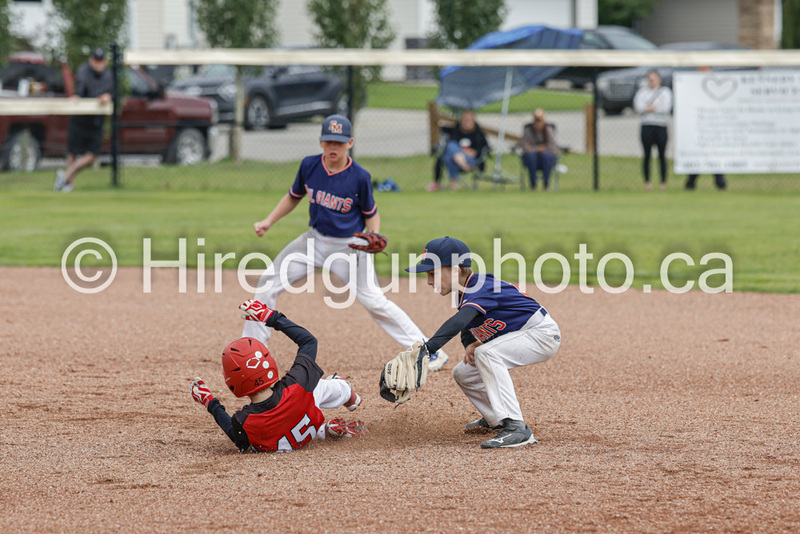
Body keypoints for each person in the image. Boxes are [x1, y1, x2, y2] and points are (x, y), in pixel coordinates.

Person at [243, 114, 449, 371]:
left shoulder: (359, 177)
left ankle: (429, 351)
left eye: (339, 142)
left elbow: (371, 214)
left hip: (349, 247)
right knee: (268, 283)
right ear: (320, 142)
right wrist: (268, 221)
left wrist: (372, 235)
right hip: (314, 240)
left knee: (374, 301)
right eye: (329, 141)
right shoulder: (309, 166)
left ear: (349, 143)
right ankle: (250, 347)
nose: (333, 147)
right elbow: (293, 196)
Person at [405, 237, 561, 449]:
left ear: (455, 270)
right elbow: (466, 323)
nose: (429, 281)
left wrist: (429, 348)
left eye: (433, 273)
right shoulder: (464, 292)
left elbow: (459, 320)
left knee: (486, 354)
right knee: (463, 372)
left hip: (541, 334)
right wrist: (469, 342)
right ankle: (497, 420)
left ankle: (517, 428)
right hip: (526, 334)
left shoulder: (481, 287)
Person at [189, 299, 367, 452]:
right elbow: (309, 341)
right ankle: (346, 393)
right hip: (305, 410)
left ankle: (323, 432)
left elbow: (238, 440)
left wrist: (210, 402)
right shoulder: (296, 383)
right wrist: (271, 317)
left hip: (295, 442)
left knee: (271, 436)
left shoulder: (243, 421)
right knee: (319, 385)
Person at [53, 47, 113, 193]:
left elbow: (113, 93)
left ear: (105, 61)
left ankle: (65, 175)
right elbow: (80, 90)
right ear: (91, 60)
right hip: (80, 118)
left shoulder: (109, 75)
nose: (98, 64)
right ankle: (68, 184)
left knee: (92, 154)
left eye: (101, 61)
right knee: (73, 152)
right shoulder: (83, 71)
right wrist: (78, 97)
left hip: (96, 120)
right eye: (96, 60)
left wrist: (108, 96)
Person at [427, 110, 489, 192]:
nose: (467, 122)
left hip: (471, 160)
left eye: (469, 120)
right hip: (458, 160)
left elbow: (484, 148)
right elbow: (450, 145)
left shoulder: (478, 134)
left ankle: (451, 184)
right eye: (465, 120)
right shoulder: (457, 131)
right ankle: (461, 164)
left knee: (449, 155)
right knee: (451, 147)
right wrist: (460, 153)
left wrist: (474, 152)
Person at [633, 69, 672, 191]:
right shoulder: (642, 93)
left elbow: (666, 108)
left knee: (662, 155)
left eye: (654, 79)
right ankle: (647, 182)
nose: (652, 82)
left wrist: (649, 108)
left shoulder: (665, 92)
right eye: (650, 79)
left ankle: (663, 182)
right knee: (647, 155)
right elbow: (638, 107)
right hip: (647, 125)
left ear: (659, 80)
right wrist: (654, 107)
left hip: (661, 126)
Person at [520, 108, 559, 190]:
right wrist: (538, 149)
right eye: (536, 120)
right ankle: (533, 185)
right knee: (531, 156)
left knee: (546, 156)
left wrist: (538, 148)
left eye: (540, 120)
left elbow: (553, 147)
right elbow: (525, 147)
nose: (538, 123)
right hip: (532, 160)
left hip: (546, 159)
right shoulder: (528, 130)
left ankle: (546, 184)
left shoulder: (548, 130)